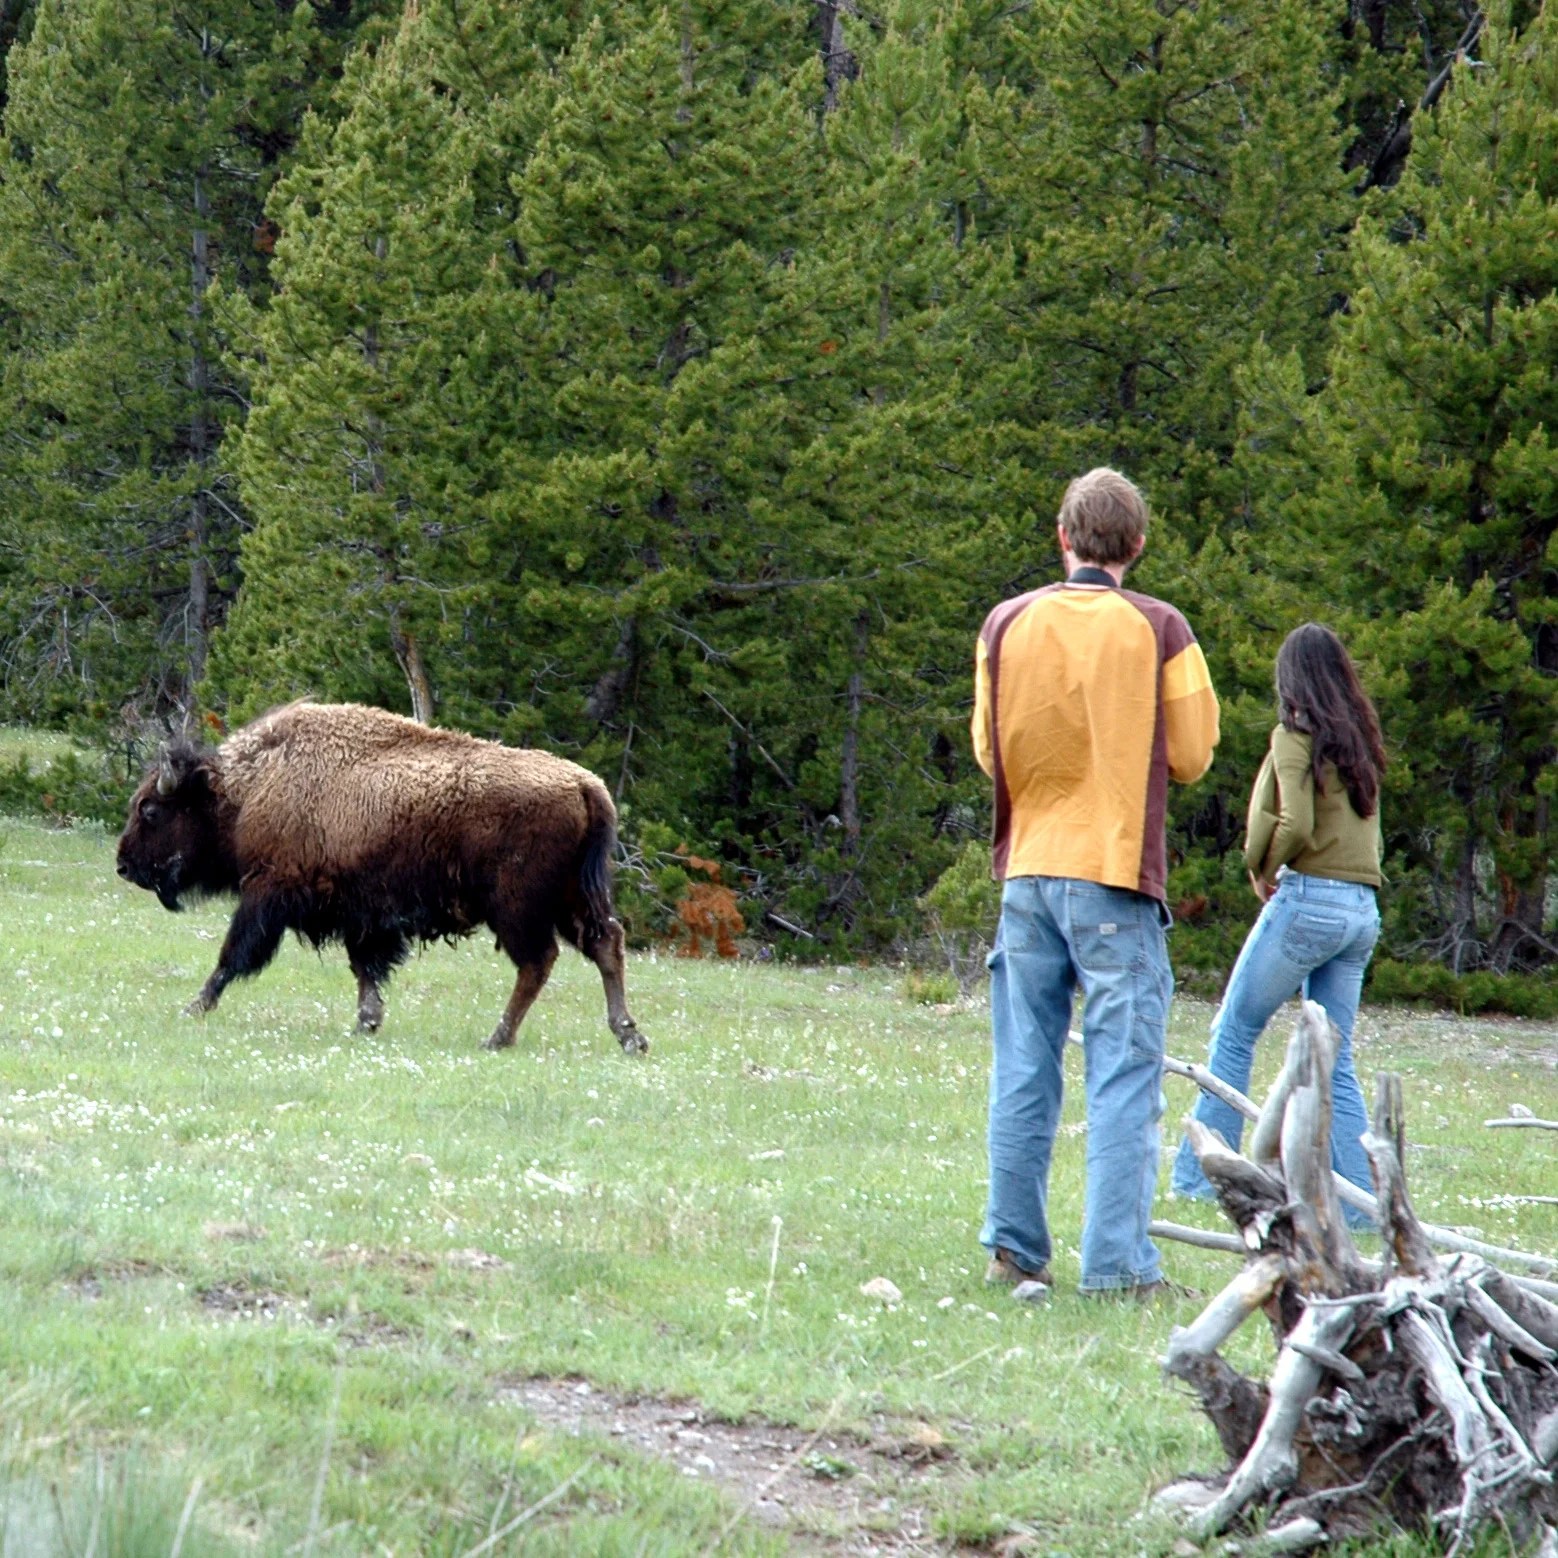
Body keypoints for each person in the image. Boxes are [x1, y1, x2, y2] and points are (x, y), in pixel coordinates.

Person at [972, 467, 1219, 1300]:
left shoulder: (1006, 623)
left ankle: (1013, 1251)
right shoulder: (1161, 628)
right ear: (1138, 545)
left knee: (1023, 1067)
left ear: (1062, 534)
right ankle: (1117, 1268)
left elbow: (986, 751)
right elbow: (1190, 756)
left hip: (1029, 871)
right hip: (1115, 875)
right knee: (1122, 1078)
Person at [1170, 623, 1385, 1215]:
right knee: (1333, 1059)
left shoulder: (1295, 738)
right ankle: (1361, 1206)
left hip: (1309, 899)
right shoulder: (1360, 743)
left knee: (1235, 1030)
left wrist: (1259, 866)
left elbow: (1295, 826)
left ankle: (1200, 1178)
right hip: (1361, 910)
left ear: (1290, 680)